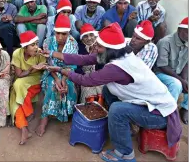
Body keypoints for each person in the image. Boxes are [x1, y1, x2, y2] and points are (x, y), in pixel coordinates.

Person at [43, 22, 182, 162]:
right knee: (108, 91)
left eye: (99, 46)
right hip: (152, 106)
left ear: (109, 49)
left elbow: (86, 80)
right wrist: (53, 54)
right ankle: (124, 128)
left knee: (116, 110)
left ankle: (125, 154)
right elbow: (84, 59)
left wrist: (62, 71)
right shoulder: (118, 52)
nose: (96, 47)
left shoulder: (116, 68)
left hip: (160, 115)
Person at [35, 14, 78, 137]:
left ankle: (66, 113)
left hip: (68, 72)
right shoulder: (47, 42)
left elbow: (72, 65)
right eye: (57, 33)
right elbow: (48, 63)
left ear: (69, 33)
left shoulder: (73, 43)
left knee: (68, 86)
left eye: (64, 34)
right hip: (50, 72)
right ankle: (44, 118)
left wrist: (63, 79)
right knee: (52, 85)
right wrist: (56, 78)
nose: (60, 37)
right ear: (54, 31)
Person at [9, 31, 47, 145]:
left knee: (17, 85)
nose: (36, 47)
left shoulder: (40, 54)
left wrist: (38, 67)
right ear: (25, 47)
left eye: (37, 43)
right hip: (22, 80)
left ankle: (29, 112)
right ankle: (24, 129)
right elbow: (19, 74)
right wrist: (31, 68)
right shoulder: (17, 53)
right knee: (14, 100)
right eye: (33, 45)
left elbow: (43, 71)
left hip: (36, 80)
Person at [155, 17, 188, 125]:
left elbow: (186, 63)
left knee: (183, 82)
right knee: (176, 84)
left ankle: (185, 108)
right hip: (161, 73)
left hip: (176, 73)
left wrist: (184, 79)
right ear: (179, 29)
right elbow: (162, 66)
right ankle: (168, 112)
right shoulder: (165, 42)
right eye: (187, 32)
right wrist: (181, 81)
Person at [76, 23, 104, 103]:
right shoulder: (79, 48)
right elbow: (77, 67)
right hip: (85, 75)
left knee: (101, 87)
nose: (89, 38)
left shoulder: (101, 46)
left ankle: (101, 110)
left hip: (99, 75)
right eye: (85, 36)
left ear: (95, 36)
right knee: (88, 89)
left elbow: (103, 65)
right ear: (82, 39)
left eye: (91, 35)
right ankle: (87, 111)